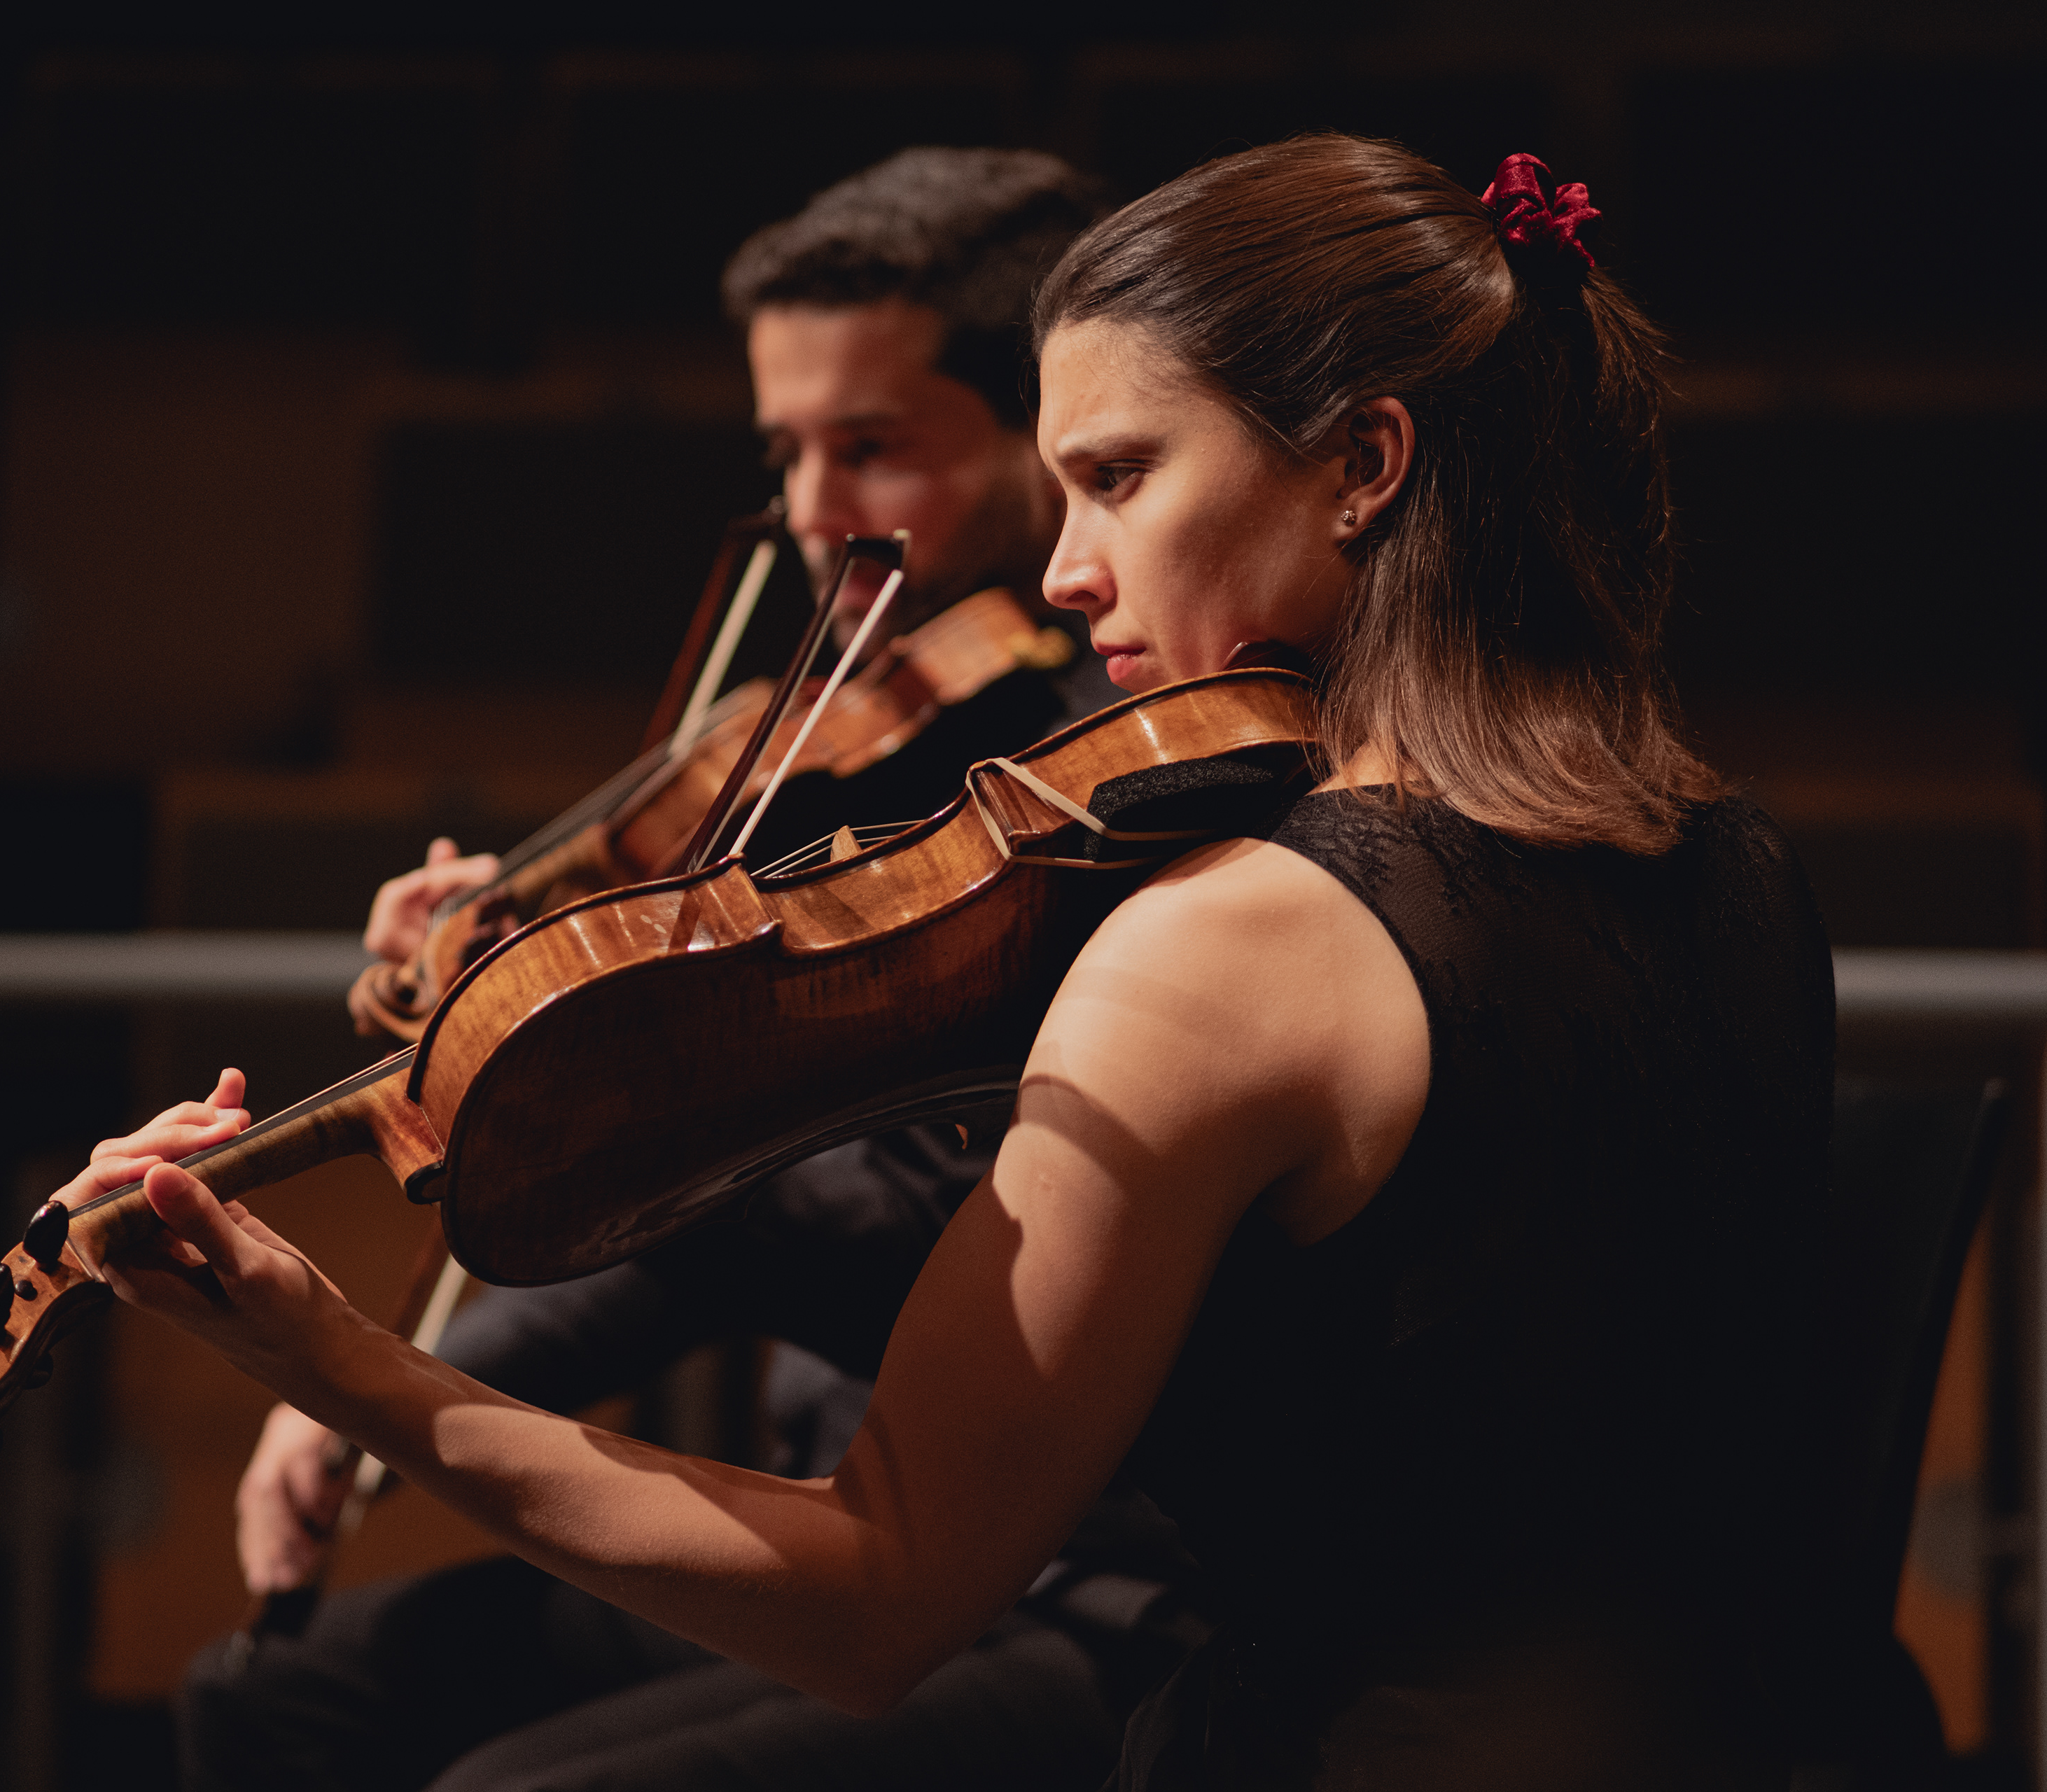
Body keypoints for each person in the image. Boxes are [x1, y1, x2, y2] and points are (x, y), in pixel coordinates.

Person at [95, 132, 1833, 1788]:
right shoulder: (1737, 859)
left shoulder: (1224, 947)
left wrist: (337, 1359)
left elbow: (878, 1596)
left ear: (1363, 466)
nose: (1067, 570)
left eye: (1119, 477)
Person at [180, 149, 1207, 1792]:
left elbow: (908, 1233)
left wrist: (615, 1073)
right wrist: (376, 1390)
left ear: (1050, 431)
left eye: (871, 448)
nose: (810, 512)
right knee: (275, 1697)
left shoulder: (1118, 787)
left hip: (1082, 1570)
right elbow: (708, 1225)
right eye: (785, 451)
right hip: (831, 1507)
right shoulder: (845, 760)